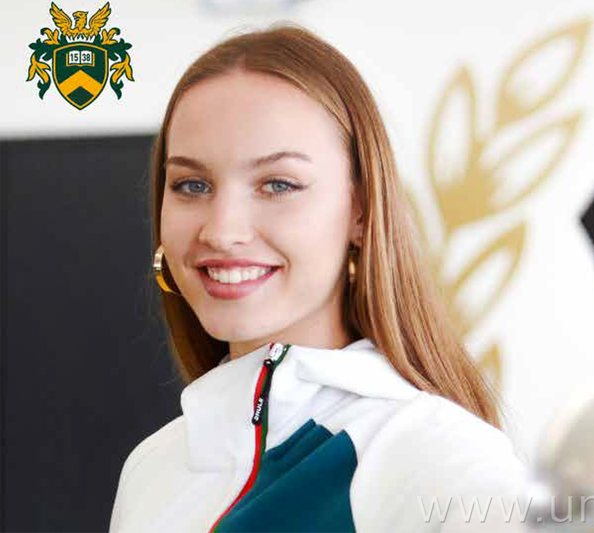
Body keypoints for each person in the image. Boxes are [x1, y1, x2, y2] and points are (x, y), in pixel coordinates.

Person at [109, 24, 530, 533]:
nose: (221, 231)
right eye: (192, 185)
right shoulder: (151, 471)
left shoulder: (437, 458)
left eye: (278, 184)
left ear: (360, 209)